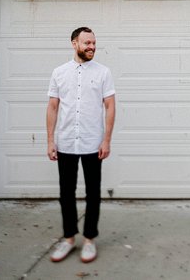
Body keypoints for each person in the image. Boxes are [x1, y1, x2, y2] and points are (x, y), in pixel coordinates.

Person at [46, 27, 116, 264]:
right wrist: (50, 140)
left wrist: (106, 140)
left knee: (93, 193)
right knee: (66, 194)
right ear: (74, 43)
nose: (92, 47)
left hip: (92, 143)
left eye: (94, 43)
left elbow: (110, 106)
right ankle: (68, 239)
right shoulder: (59, 73)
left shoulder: (103, 72)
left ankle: (88, 240)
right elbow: (53, 107)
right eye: (87, 42)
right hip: (65, 142)